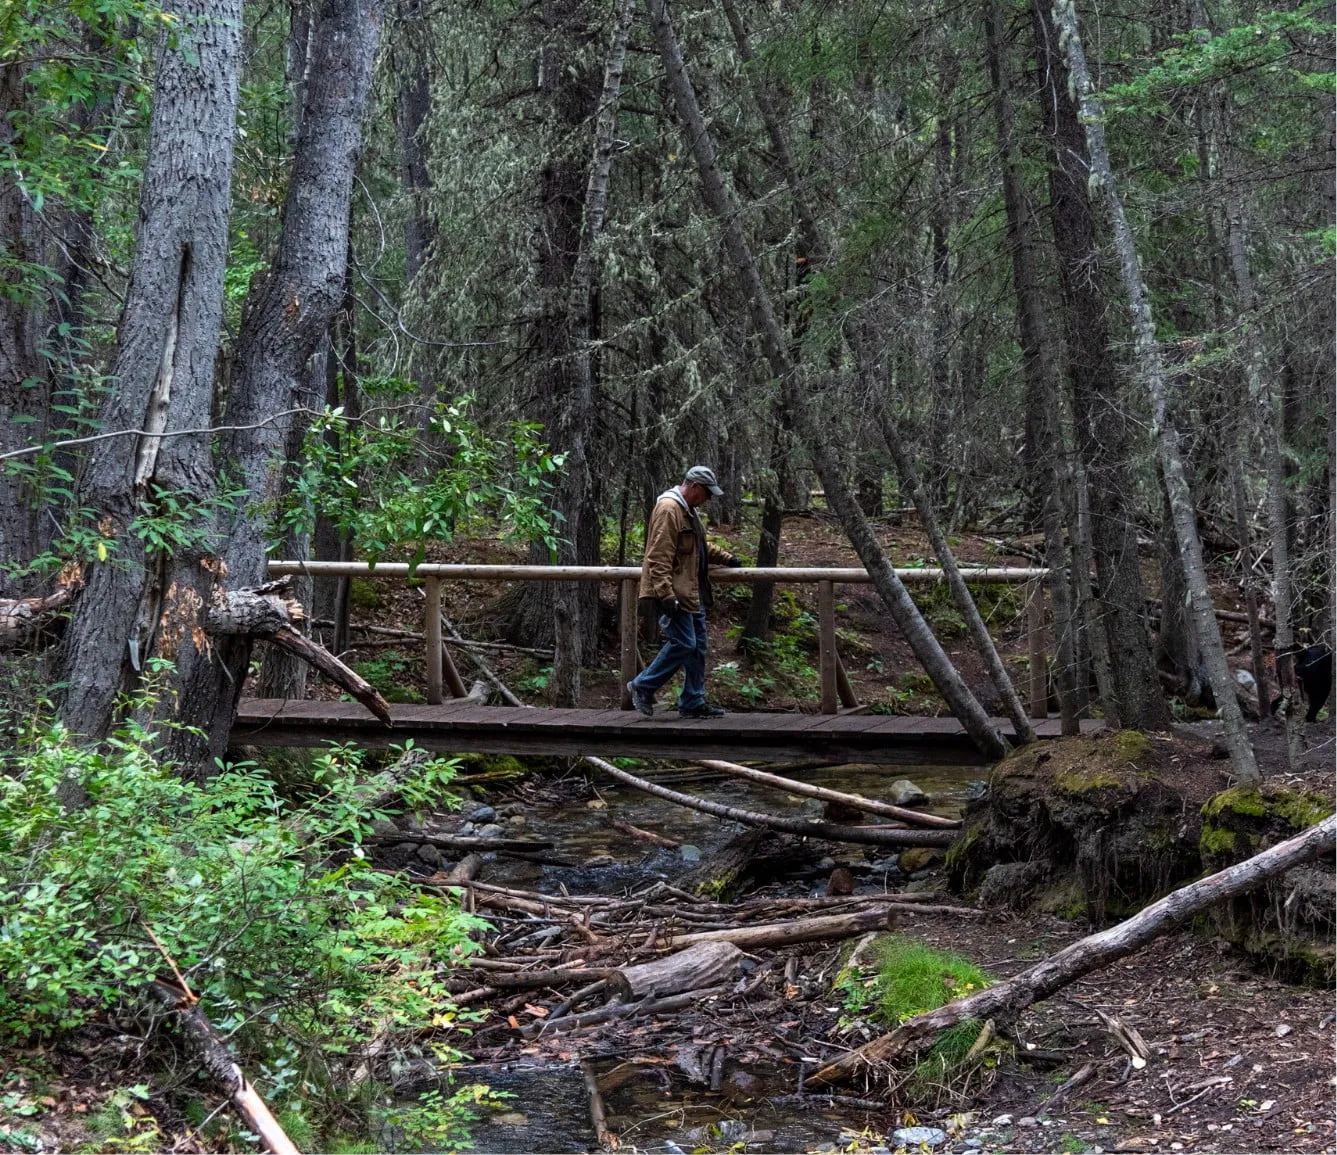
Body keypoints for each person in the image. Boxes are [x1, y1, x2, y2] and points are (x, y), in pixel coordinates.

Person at [628, 465, 741, 718]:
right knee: (684, 642)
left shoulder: (688, 510)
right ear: (694, 487)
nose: (708, 499)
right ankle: (642, 685)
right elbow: (657, 556)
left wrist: (727, 558)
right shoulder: (669, 509)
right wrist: (665, 595)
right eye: (707, 493)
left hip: (691, 592)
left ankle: (692, 701)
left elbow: (698, 545)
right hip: (675, 593)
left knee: (698, 646)